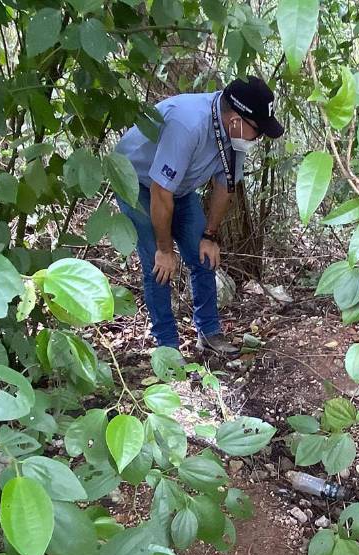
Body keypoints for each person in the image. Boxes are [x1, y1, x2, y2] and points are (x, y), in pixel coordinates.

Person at [114, 76, 284, 356]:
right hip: (137, 183)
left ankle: (209, 332)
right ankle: (167, 347)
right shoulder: (188, 124)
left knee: (205, 256)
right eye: (259, 131)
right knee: (159, 266)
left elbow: (225, 185)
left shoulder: (235, 137)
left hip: (177, 189)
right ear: (235, 121)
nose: (259, 138)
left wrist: (209, 235)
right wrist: (165, 249)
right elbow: (160, 191)